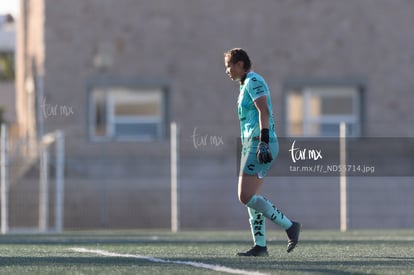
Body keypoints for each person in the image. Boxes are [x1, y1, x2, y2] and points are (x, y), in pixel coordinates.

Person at [224, 48, 301, 256]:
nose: (227, 70)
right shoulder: (245, 85)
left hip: (260, 142)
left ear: (240, 64)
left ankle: (289, 226)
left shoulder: (253, 80)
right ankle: (260, 245)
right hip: (252, 143)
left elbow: (264, 110)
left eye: (229, 65)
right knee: (251, 196)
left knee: (244, 195)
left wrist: (264, 141)